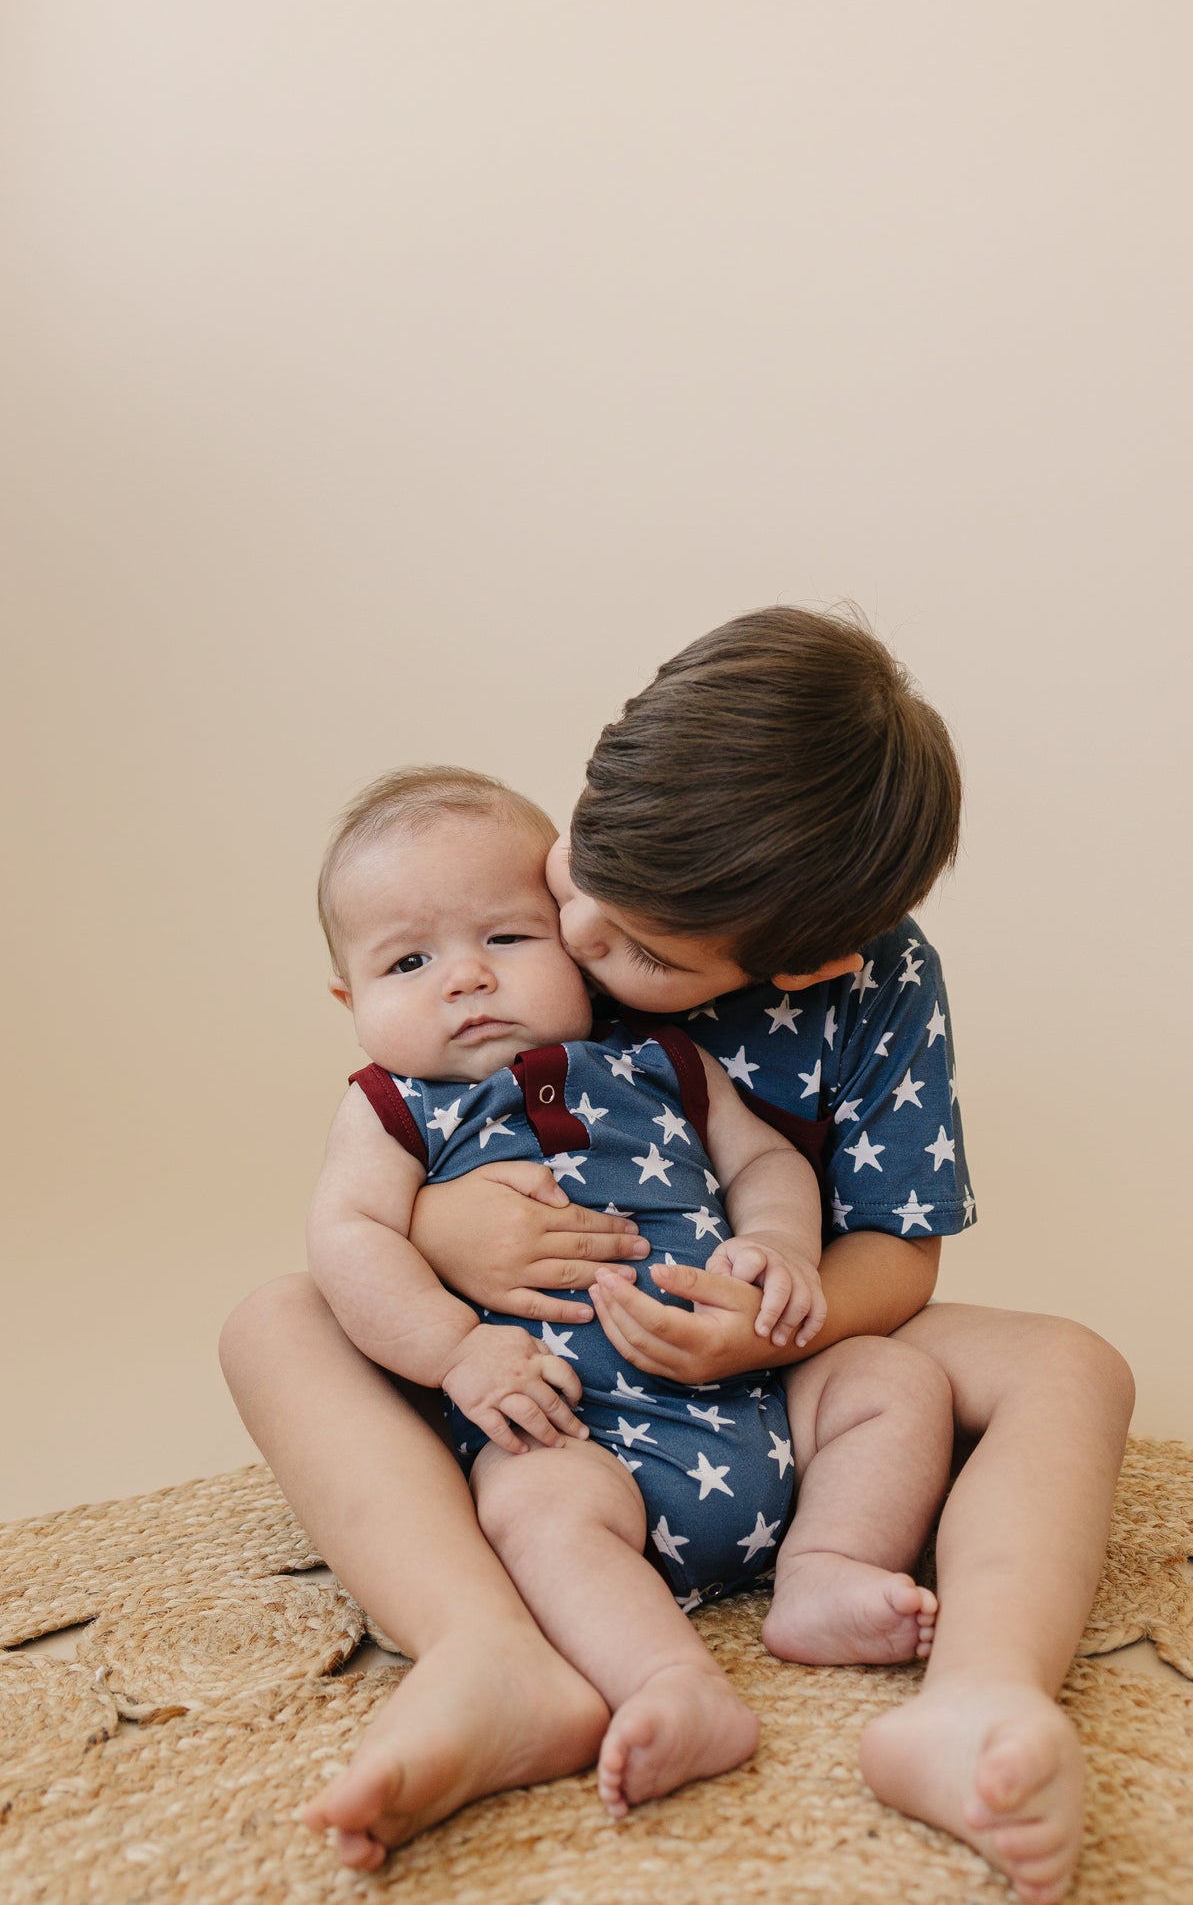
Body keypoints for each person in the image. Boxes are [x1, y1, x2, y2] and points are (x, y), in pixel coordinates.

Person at [221, 608, 1133, 1905]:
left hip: (775, 1336)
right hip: (547, 1385)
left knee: (1072, 1365)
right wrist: (438, 1232)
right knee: (275, 1322)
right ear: (595, 784)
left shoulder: (869, 987)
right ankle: (486, 1652)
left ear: (810, 962)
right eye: (577, 877)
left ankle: (978, 1695)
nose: (580, 931)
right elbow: (382, 1124)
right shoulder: (524, 882)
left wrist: (779, 1312)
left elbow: (895, 1252)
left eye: (643, 951)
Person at [307, 766, 953, 1819]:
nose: (465, 978)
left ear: (571, 944)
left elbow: (761, 1163)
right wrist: (457, 1349)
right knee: (530, 1504)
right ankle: (674, 1682)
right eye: (409, 960)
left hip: (753, 1401)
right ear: (351, 1003)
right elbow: (346, 1239)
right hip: (574, 1438)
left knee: (891, 1379)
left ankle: (825, 1564)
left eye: (505, 940)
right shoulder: (393, 1108)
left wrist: (784, 1250)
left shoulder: (663, 1055)